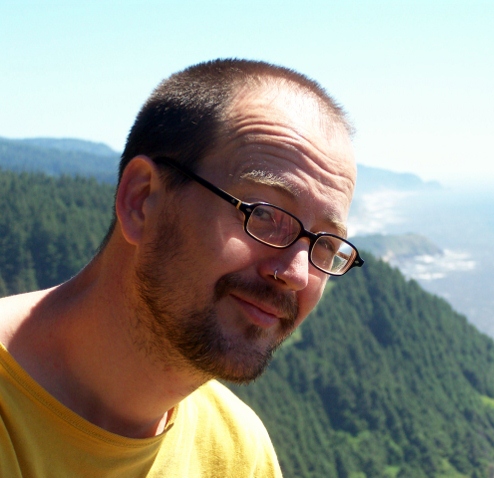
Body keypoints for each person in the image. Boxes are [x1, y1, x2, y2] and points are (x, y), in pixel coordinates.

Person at [0, 59, 363, 477]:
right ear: (142, 200)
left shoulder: (237, 451)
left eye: (326, 244)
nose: (296, 274)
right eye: (263, 214)